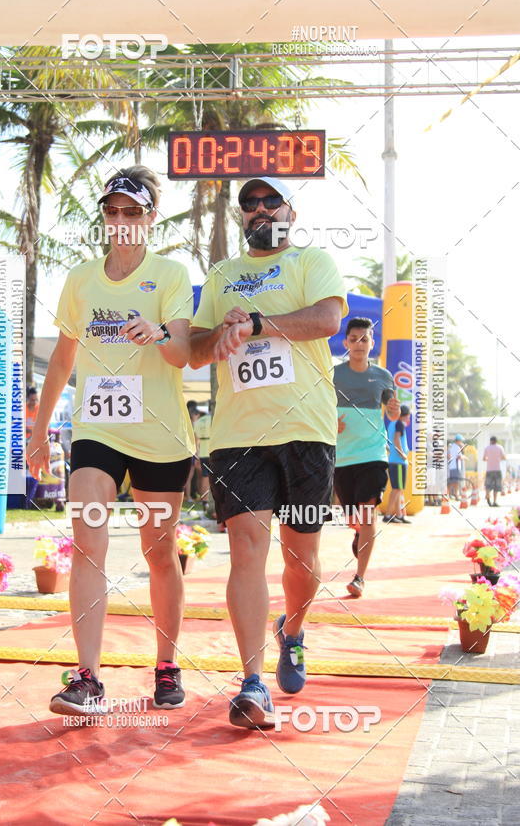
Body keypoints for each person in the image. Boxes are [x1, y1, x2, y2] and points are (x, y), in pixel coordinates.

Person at [26, 166, 195, 716]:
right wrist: (38, 429)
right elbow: (63, 357)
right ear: (105, 216)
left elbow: (182, 352)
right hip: (98, 428)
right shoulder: (81, 279)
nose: (121, 221)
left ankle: (166, 666)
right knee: (88, 539)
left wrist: (160, 333)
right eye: (112, 211)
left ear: (150, 218)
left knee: (159, 553)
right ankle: (87, 678)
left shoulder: (170, 274)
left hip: (161, 432)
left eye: (132, 212)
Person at [190, 176, 347, 729]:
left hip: (306, 430)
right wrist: (221, 333)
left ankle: (294, 632)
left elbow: (327, 320)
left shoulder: (312, 259)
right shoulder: (222, 275)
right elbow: (193, 351)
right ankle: (253, 682)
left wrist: (259, 322)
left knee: (301, 560)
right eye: (249, 203)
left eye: (269, 201)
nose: (258, 209)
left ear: (289, 211)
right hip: (238, 434)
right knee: (247, 547)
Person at [333, 318, 401, 598]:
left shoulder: (384, 376)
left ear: (372, 344)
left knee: (367, 514)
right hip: (341, 458)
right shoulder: (333, 374)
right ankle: (359, 534)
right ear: (346, 343)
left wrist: (394, 412)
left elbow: (393, 413)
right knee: (354, 519)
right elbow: (318, 405)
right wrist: (330, 422)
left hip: (373, 454)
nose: (359, 344)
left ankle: (359, 577)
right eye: (354, 339)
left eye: (365, 339)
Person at [383, 405, 411, 524]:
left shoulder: (391, 424)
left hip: (394, 461)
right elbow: (396, 439)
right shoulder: (399, 423)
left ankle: (399, 515)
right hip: (398, 461)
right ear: (405, 415)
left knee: (399, 489)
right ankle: (388, 514)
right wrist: (402, 454)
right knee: (396, 489)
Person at [193, 401, 213, 517]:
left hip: (202, 451)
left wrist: (196, 454)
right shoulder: (214, 419)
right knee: (212, 478)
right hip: (212, 449)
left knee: (204, 477)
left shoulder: (198, 422)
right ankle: (210, 500)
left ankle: (204, 500)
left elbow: (196, 440)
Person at [483, 436, 506, 507]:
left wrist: (489, 459)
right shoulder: (500, 447)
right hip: (497, 469)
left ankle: (487, 495)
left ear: (490, 441)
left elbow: (484, 458)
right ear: (496, 441)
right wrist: (498, 459)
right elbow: (504, 457)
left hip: (489, 469)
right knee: (496, 486)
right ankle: (494, 501)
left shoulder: (487, 448)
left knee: (488, 485)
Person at [447, 434, 466, 500]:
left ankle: (448, 494)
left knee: (451, 482)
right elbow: (459, 457)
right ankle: (456, 495)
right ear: (458, 441)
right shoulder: (456, 447)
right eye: (461, 441)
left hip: (451, 467)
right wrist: (465, 457)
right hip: (455, 467)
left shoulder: (451, 446)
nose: (461, 443)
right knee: (455, 482)